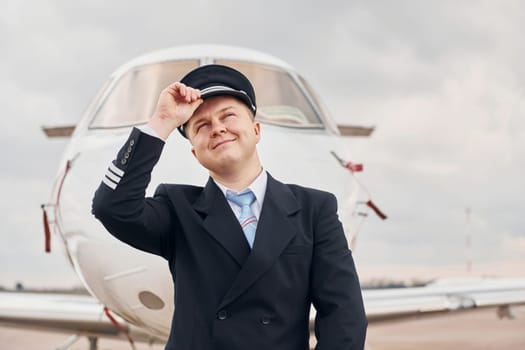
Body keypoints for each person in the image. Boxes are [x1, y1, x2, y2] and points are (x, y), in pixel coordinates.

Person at [92, 64, 367, 350]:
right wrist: (162, 121)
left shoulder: (315, 210)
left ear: (256, 130)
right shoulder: (177, 210)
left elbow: (344, 314)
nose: (218, 128)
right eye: (202, 126)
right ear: (195, 152)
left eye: (228, 116)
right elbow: (111, 207)